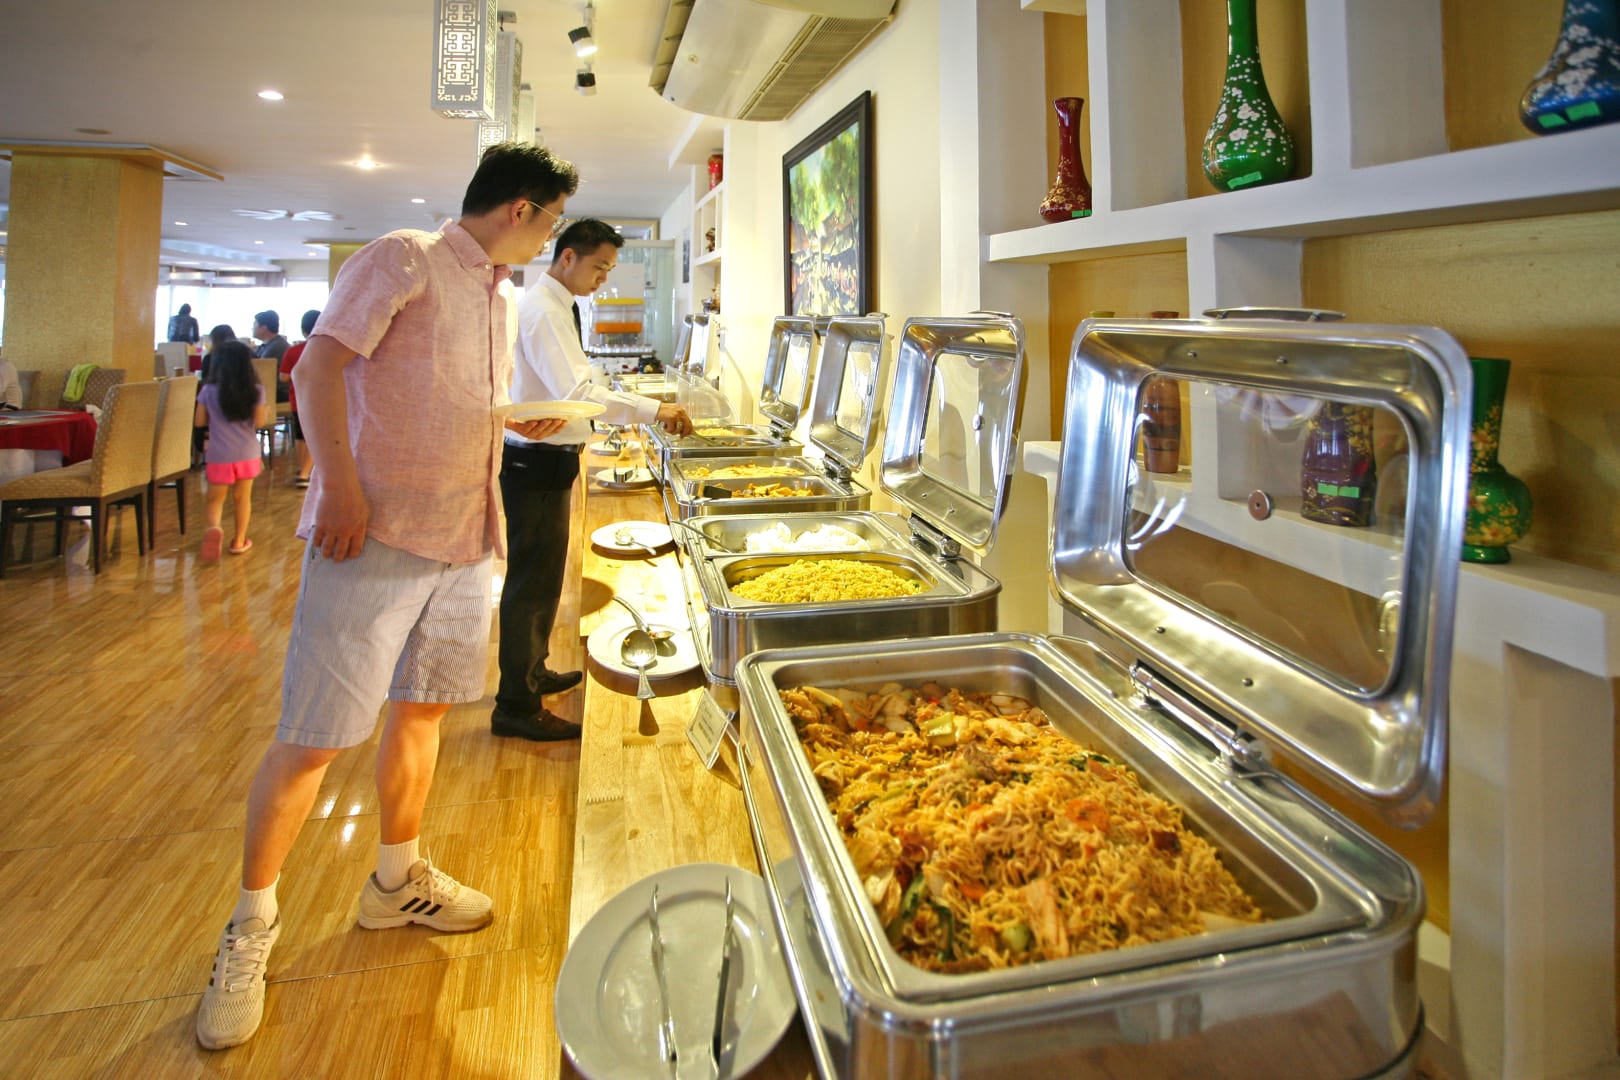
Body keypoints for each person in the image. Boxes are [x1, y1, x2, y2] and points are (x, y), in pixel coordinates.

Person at [193, 140, 578, 1051]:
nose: (549, 238)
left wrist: (520, 424)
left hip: (464, 537)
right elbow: (316, 370)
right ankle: (248, 928)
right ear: (521, 209)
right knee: (314, 739)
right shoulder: (405, 257)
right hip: (373, 534)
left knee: (423, 714)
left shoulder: (499, 296)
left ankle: (395, 880)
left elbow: (450, 404)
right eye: (552, 221)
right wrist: (338, 485)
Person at [492, 218, 692, 741]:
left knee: (544, 578)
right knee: (531, 584)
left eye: (609, 268)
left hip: (548, 457)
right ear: (568, 258)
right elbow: (578, 391)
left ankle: (533, 672)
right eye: (599, 266)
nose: (604, 277)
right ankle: (515, 704)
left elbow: (575, 383)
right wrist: (654, 409)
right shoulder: (543, 309)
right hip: (535, 460)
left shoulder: (558, 305)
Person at [193, 341, 269, 561]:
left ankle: (214, 528)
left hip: (219, 455)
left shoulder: (208, 391)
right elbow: (259, 422)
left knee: (215, 499)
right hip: (247, 454)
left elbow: (199, 422)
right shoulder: (256, 390)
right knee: (242, 498)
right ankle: (239, 541)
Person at [278, 309, 320, 487]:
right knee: (313, 436)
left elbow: (284, 377)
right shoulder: (325, 351)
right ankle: (305, 473)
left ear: (303, 330)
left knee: (300, 436)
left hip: (297, 400)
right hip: (319, 401)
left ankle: (302, 468)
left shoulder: (293, 351)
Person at [252, 311, 291, 401]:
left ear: (263, 328)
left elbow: (259, 372)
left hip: (279, 392)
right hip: (272, 390)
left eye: (254, 325)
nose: (252, 328)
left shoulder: (276, 347)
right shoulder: (267, 345)